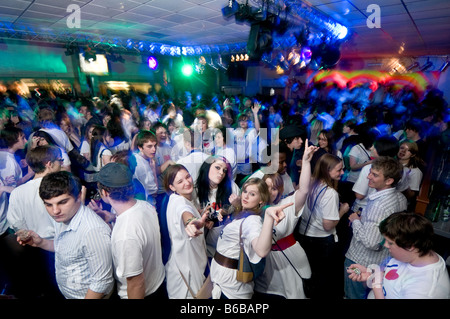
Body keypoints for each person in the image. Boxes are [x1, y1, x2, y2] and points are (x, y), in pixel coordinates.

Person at [16, 171, 114, 299]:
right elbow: (67, 248)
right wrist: (41, 242)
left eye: (62, 202)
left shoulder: (93, 231)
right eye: (48, 204)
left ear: (78, 196)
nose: (55, 211)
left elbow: (101, 283)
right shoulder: (63, 216)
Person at [254, 140, 318, 299]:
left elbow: (303, 190)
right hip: (267, 264)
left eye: (274, 188)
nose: (270, 192)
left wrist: (306, 162)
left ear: (280, 190)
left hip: (289, 259)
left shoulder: (287, 205)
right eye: (266, 187)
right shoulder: (254, 212)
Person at [210, 177, 292, 299]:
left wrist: (269, 216)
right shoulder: (244, 213)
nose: (246, 196)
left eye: (252, 194)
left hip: (231, 289)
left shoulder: (253, 221)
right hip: (222, 282)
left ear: (261, 200)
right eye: (245, 191)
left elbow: (262, 251)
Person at [94, 163, 167, 299]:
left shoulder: (125, 235)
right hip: (159, 285)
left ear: (104, 192)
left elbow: (136, 284)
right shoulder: (145, 206)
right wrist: (112, 217)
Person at [347, 212, 450, 299]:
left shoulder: (424, 290)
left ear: (410, 246)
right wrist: (371, 273)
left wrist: (376, 285)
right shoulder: (408, 256)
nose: (385, 245)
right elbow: (393, 276)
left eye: (390, 243)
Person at [344, 156, 407, 299]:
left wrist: (355, 221)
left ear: (389, 181)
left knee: (354, 296)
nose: (368, 176)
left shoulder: (379, 206)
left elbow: (371, 243)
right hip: (381, 262)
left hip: (360, 260)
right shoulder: (400, 198)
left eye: (374, 175)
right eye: (370, 172)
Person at [6, 145, 63, 299]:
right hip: (57, 248)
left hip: (31, 250)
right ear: (49, 164)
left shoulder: (18, 193)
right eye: (59, 160)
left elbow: (15, 224)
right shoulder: (60, 191)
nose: (62, 164)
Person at [296, 153, 350, 299]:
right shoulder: (330, 193)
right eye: (339, 170)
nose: (342, 173)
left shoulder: (310, 182)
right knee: (320, 277)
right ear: (327, 170)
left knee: (307, 273)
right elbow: (328, 225)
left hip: (303, 235)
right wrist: (342, 211)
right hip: (321, 241)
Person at [163, 164, 209, 299]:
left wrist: (200, 215)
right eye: (180, 181)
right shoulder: (179, 203)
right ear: (172, 187)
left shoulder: (178, 198)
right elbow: (185, 214)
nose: (187, 182)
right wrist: (191, 223)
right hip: (185, 279)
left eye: (188, 176)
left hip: (183, 268)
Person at [195, 155, 240, 257]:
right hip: (202, 245)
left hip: (225, 244)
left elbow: (241, 215)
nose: (221, 173)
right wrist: (203, 221)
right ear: (207, 167)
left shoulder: (231, 187)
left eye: (224, 170)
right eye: (217, 167)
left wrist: (237, 206)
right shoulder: (195, 190)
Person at [397, 140, 424, 210]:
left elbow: (411, 195)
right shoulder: (391, 163)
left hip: (398, 204)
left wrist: (404, 183)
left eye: (408, 150)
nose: (403, 151)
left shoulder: (415, 171)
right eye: (402, 148)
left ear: (413, 155)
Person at [133, 130, 159, 205]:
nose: (154, 149)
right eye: (149, 146)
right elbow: (154, 191)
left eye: (155, 146)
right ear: (140, 148)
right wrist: (153, 170)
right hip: (144, 206)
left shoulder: (149, 159)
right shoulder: (138, 164)